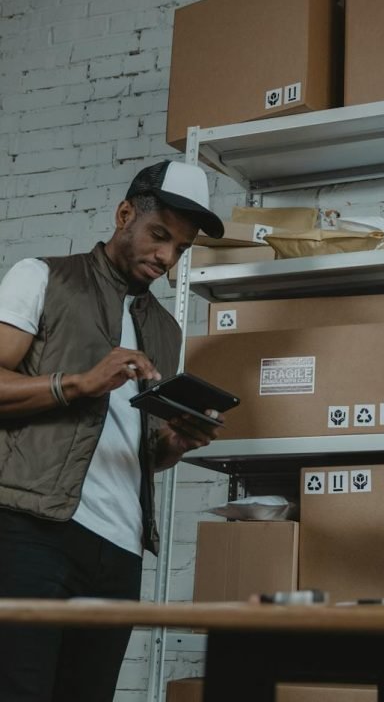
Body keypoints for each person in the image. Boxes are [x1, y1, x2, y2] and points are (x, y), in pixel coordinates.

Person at [0, 160, 227, 702]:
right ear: (125, 214)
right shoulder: (42, 276)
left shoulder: (165, 332)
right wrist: (78, 382)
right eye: (158, 235)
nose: (166, 257)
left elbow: (140, 449)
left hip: (120, 550)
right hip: (34, 531)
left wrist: (174, 442)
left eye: (180, 248)